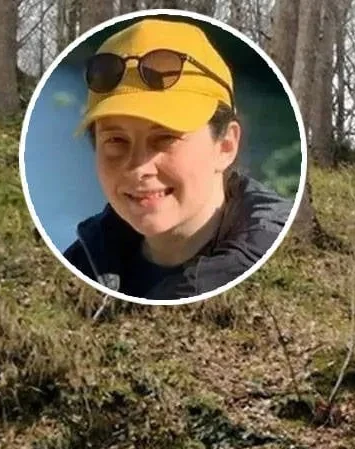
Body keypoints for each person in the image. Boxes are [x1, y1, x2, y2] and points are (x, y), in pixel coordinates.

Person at [62, 17, 293, 301]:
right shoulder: (84, 260)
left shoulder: (272, 265)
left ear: (225, 146)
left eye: (165, 138)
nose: (139, 168)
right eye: (116, 141)